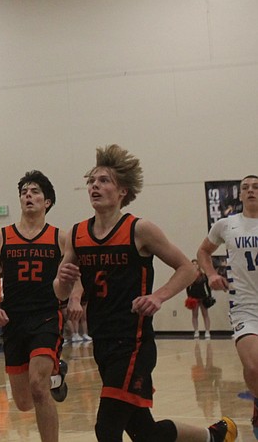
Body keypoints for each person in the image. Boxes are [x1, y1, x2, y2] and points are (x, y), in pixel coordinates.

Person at [55, 145, 236, 442]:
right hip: (102, 341)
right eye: (92, 181)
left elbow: (187, 269)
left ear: (122, 190)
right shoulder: (76, 234)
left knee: (106, 428)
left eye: (104, 181)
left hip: (134, 342)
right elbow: (59, 290)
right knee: (145, 432)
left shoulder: (139, 229)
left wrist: (159, 296)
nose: (95, 186)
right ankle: (214, 436)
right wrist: (66, 285)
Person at [0, 171, 69, 442]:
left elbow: (74, 278)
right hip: (13, 320)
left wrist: (74, 299)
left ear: (48, 202)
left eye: (34, 192)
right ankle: (56, 377)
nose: (28, 196)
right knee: (23, 402)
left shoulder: (60, 237)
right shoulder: (1, 236)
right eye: (24, 192)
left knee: (37, 386)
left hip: (45, 316)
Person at [197, 175, 257, 423]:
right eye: (245, 188)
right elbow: (203, 251)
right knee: (253, 366)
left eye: (255, 187)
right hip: (245, 306)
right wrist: (211, 274)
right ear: (240, 195)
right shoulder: (226, 225)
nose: (251, 190)